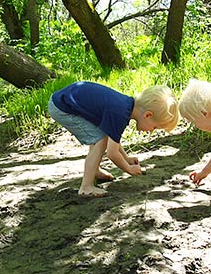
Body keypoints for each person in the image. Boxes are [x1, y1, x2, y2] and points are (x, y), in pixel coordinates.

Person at [48, 81, 179, 197]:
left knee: (102, 136)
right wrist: (128, 169)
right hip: (63, 107)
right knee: (100, 140)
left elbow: (113, 137)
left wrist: (126, 158)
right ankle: (86, 187)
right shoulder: (120, 113)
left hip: (66, 102)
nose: (151, 131)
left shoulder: (125, 107)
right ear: (148, 115)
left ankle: (94, 170)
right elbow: (112, 153)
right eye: (155, 127)